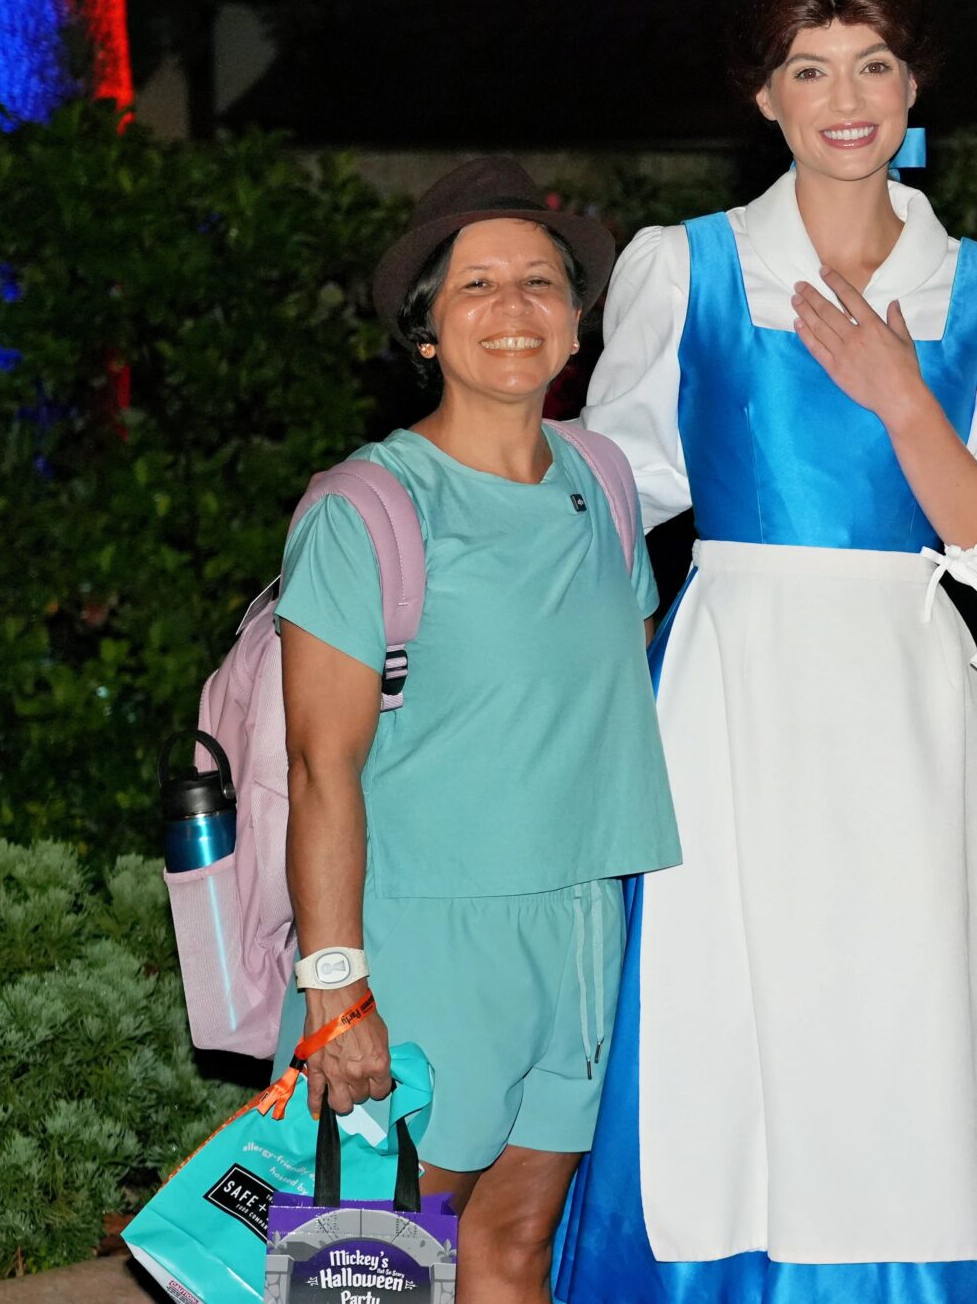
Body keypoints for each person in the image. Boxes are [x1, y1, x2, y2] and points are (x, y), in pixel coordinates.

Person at [554, 0, 977, 1303]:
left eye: (872, 66)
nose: (844, 98)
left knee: (915, 1007)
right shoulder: (682, 265)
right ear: (766, 95)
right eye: (810, 69)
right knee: (729, 1005)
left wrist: (902, 399)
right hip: (731, 684)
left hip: (912, 685)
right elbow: (611, 496)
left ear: (913, 88)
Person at [279, 156, 681, 1304]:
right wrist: (337, 986)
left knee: (513, 1249)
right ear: (426, 329)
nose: (514, 308)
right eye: (476, 285)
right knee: (366, 1273)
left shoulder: (605, 481)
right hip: (423, 937)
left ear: (576, 325)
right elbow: (319, 768)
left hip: (583, 925)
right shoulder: (366, 506)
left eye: (541, 283)